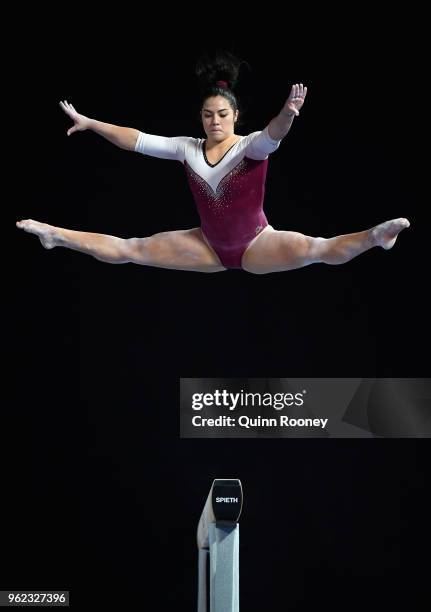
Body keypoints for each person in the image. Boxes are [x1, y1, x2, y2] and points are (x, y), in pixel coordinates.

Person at [16, 51, 410, 274]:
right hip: (205, 247)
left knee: (316, 248)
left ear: (235, 116)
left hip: (258, 243)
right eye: (208, 115)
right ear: (200, 117)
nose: (215, 121)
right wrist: (91, 123)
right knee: (129, 248)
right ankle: (56, 234)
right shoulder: (186, 148)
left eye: (222, 114)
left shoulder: (250, 147)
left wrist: (289, 113)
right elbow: (135, 140)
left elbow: (275, 133)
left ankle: (375, 237)